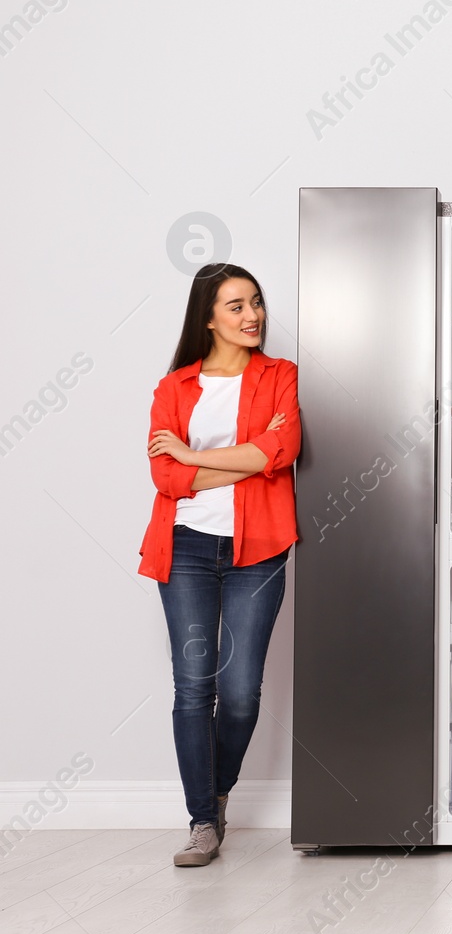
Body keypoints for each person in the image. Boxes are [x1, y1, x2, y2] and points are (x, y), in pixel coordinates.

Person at [140, 264, 300, 867]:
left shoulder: (279, 375)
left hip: (257, 547)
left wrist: (196, 456)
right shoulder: (174, 387)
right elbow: (165, 476)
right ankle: (203, 821)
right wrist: (245, 459)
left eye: (255, 303)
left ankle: (219, 790)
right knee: (192, 690)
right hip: (184, 547)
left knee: (238, 693)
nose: (251, 315)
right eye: (235, 306)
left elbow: (282, 452)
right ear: (207, 317)